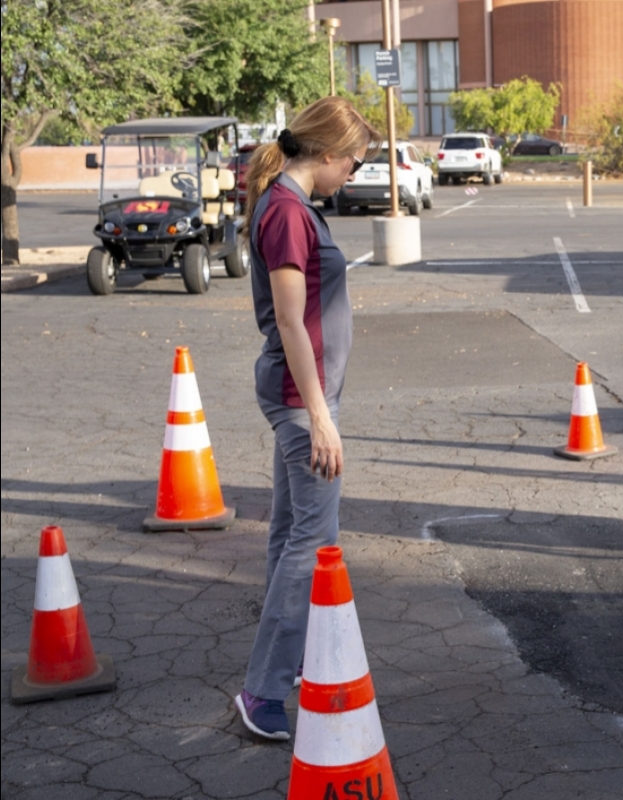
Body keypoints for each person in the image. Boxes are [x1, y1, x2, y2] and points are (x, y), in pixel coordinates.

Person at [235, 96, 380, 740]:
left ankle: (286, 661)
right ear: (325, 153)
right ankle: (262, 690)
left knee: (290, 529)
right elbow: (291, 321)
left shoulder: (287, 204)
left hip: (301, 393)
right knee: (312, 543)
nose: (353, 173)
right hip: (302, 398)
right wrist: (320, 416)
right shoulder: (288, 213)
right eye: (352, 162)